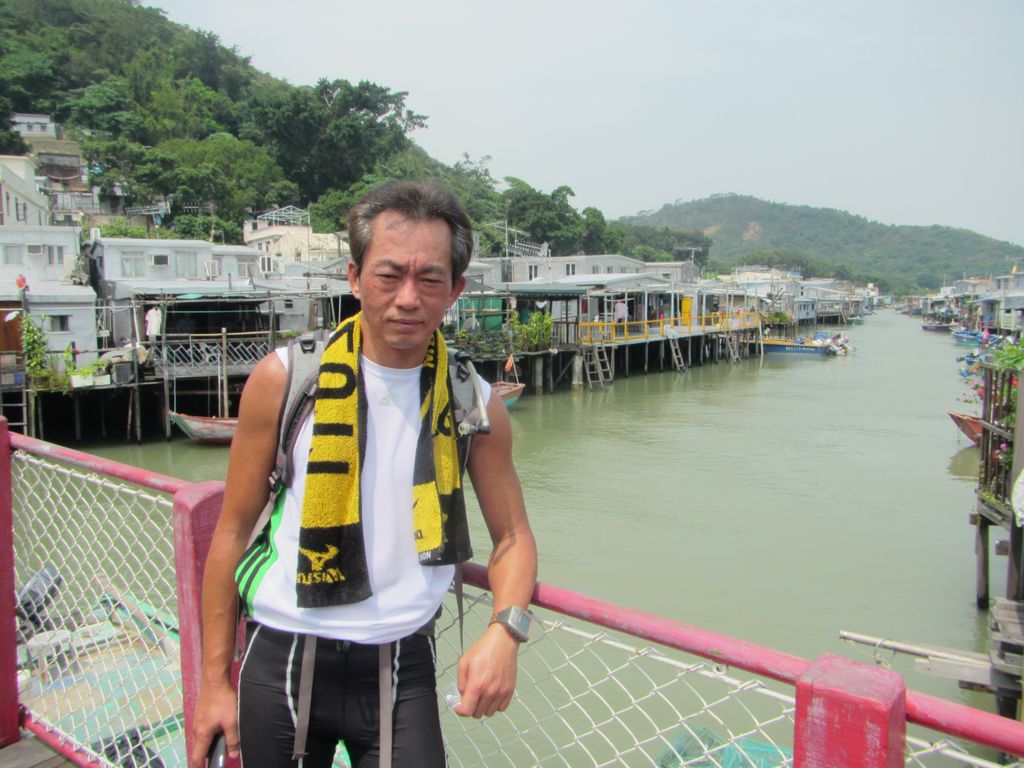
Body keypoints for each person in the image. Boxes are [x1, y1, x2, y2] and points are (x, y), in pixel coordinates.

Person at [188, 181, 537, 768]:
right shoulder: (286, 379)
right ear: (354, 277)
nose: (408, 298)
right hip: (283, 655)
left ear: (456, 290)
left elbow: (513, 537)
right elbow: (232, 531)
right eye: (388, 275)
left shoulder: (472, 402)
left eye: (430, 280)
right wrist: (214, 683)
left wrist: (506, 632)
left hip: (403, 662)